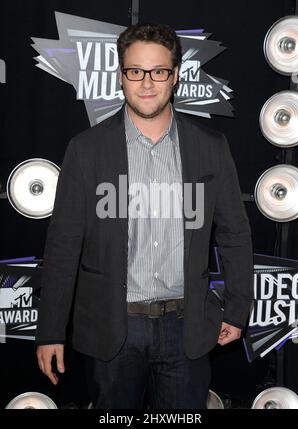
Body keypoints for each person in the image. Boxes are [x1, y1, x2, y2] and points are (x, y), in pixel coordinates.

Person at [36, 23, 253, 409]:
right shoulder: (86, 150)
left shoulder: (210, 147)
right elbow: (64, 245)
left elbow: (234, 234)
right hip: (112, 329)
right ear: (121, 76)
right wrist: (50, 330)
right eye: (135, 71)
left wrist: (237, 309)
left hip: (188, 328)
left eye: (159, 71)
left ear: (175, 77)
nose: (147, 83)